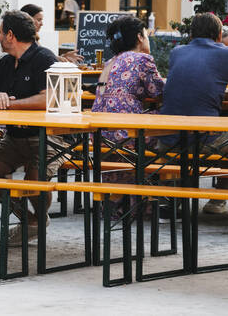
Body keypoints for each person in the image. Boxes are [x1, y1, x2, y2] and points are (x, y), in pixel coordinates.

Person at [0, 10, 66, 245]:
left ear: (10, 35)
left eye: (0, 32)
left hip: (47, 136)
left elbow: (50, 99)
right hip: (15, 137)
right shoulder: (6, 63)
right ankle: (30, 219)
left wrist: (10, 103)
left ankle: (37, 220)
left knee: (34, 180)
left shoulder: (45, 58)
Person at [159, 12, 228, 215]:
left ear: (191, 35)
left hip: (166, 138)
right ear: (218, 35)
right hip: (203, 139)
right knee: (215, 136)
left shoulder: (177, 52)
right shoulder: (224, 53)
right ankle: (219, 197)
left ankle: (171, 201)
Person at [91, 16, 164, 187]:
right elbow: (159, 92)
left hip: (100, 135)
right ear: (140, 37)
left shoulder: (109, 63)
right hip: (126, 134)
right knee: (174, 131)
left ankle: (119, 208)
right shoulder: (142, 59)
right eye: (146, 35)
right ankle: (167, 190)